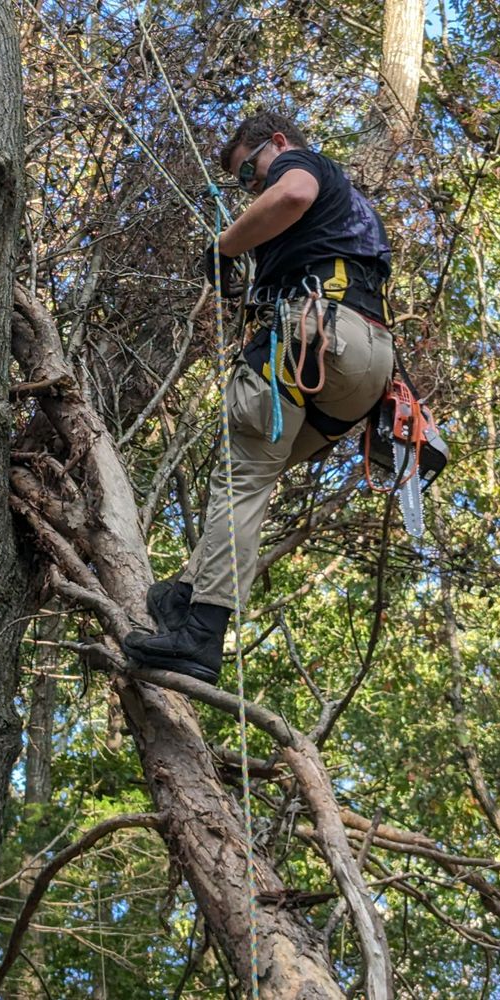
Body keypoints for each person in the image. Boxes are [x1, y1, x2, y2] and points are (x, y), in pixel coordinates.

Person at [122, 109, 394, 685]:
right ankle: (185, 594)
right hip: (366, 367)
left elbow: (291, 194)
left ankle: (200, 635)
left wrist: (224, 248)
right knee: (253, 478)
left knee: (240, 475)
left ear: (275, 143)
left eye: (250, 174)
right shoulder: (351, 212)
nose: (252, 189)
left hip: (318, 336)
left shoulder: (300, 164)